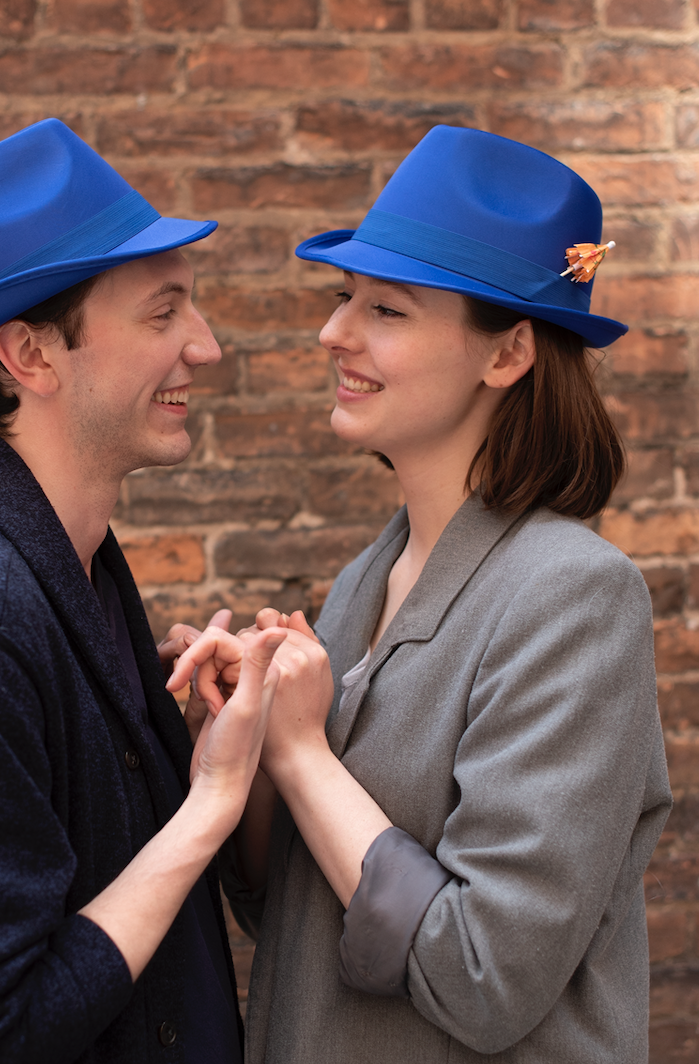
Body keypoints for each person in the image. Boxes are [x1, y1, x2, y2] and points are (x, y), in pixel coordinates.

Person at [168, 126, 673, 1064]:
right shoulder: (368, 580)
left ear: (508, 352)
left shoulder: (576, 599)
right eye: (342, 298)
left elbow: (485, 975)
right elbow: (298, 911)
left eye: (387, 311)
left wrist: (307, 755)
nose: (334, 333)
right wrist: (250, 745)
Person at [0, 118, 287, 1064]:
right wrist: (208, 805)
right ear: (31, 355)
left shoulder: (75, 573)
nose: (202, 347)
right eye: (162, 314)